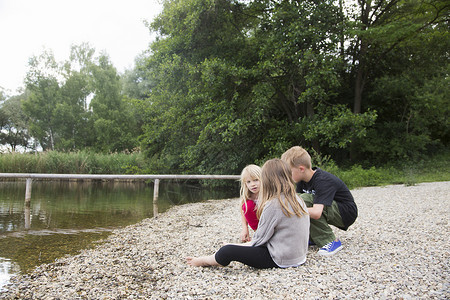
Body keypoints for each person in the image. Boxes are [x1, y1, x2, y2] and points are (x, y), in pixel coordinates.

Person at [186, 159, 310, 269]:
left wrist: (234, 245)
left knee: (227, 251)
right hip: (299, 256)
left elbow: (258, 241)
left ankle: (203, 260)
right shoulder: (298, 199)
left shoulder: (273, 204)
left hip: (281, 259)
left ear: (267, 180)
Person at [281, 146, 357, 256]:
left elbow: (316, 213)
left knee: (303, 201)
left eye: (289, 172)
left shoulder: (322, 180)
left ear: (301, 169)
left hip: (345, 212)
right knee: (298, 201)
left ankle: (330, 241)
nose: (287, 175)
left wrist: (292, 209)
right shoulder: (301, 181)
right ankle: (313, 237)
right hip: (328, 209)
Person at [239, 164, 261, 242]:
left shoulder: (267, 195)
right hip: (258, 227)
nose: (252, 184)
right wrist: (245, 228)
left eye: (255, 180)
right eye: (248, 182)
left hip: (269, 224)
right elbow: (243, 212)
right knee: (247, 206)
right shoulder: (248, 197)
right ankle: (258, 233)